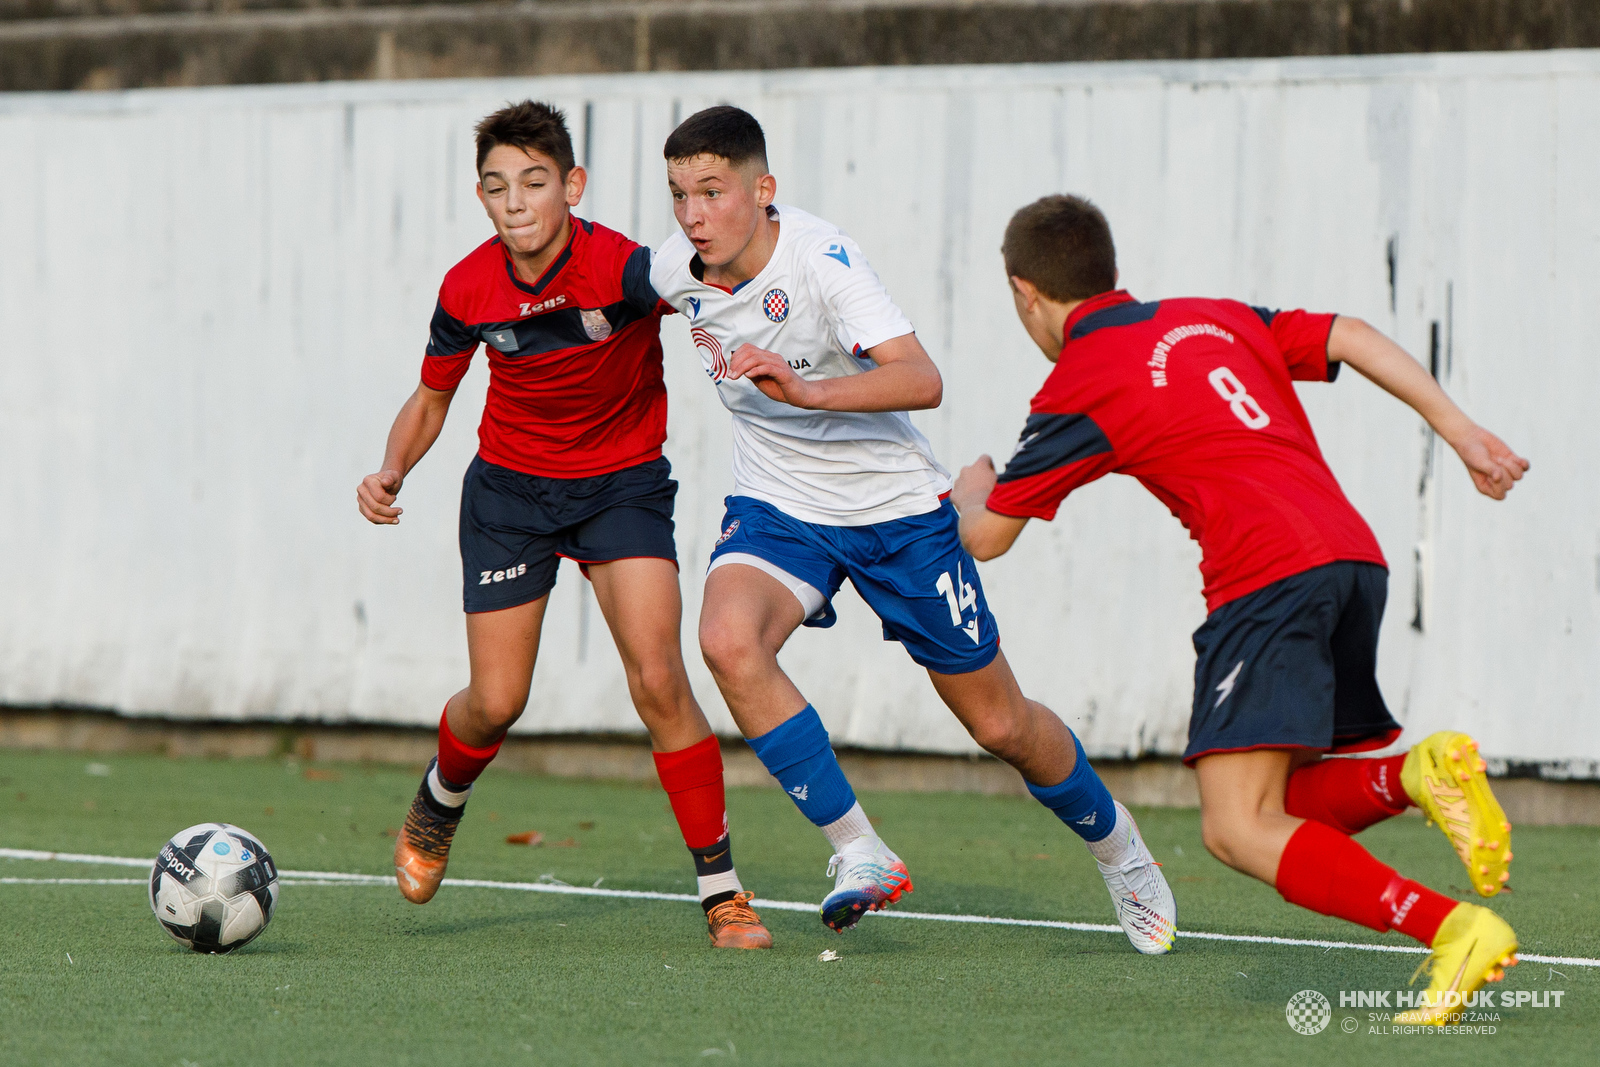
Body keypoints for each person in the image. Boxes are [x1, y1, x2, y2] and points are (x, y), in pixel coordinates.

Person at [954, 194, 1530, 1017]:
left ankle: (1452, 928)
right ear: (1110, 269)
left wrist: (970, 489)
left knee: (1234, 828)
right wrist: (1463, 432)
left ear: (1025, 292)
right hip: (1351, 558)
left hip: (1268, 578)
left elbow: (987, 539)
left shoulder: (1079, 381)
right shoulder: (1210, 316)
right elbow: (1351, 334)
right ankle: (1416, 773)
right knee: (1274, 807)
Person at [650, 107, 1175, 950]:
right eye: (679, 194)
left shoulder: (823, 261)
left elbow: (922, 378)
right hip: (781, 507)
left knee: (1000, 724)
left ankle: (1120, 847)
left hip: (896, 513)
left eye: (712, 192)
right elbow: (596, 285)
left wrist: (808, 388)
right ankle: (860, 849)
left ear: (763, 190)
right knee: (726, 640)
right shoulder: (674, 268)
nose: (693, 215)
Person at [356, 100, 769, 950]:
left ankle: (724, 891)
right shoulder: (468, 286)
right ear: (481, 197)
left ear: (571, 186)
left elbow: (725, 283)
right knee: (497, 701)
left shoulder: (625, 269)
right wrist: (393, 468)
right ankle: (440, 797)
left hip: (620, 487)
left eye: (535, 182)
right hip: (510, 495)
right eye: (498, 186)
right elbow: (433, 397)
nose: (516, 202)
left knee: (658, 679)